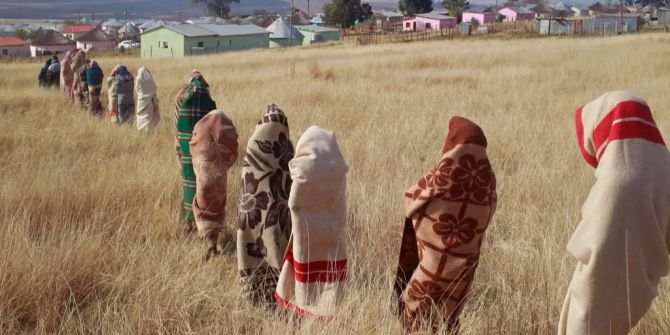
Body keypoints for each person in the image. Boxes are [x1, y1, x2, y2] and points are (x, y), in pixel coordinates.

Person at [558, 91, 670, 335]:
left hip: (597, 286)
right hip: (639, 290)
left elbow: (594, 241)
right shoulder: (664, 167)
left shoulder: (616, 176)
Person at [394, 116, 497, 334]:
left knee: (418, 315)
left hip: (429, 272)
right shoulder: (488, 184)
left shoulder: (441, 177)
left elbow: (411, 199)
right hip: (461, 277)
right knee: (447, 320)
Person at [275, 126, 348, 319]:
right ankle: (328, 311)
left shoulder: (303, 171)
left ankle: (302, 310)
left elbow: (295, 203)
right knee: (330, 279)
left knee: (300, 276)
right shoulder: (338, 170)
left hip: (305, 236)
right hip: (333, 234)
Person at [238, 104, 294, 305]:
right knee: (276, 245)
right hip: (275, 216)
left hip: (253, 216)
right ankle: (279, 292)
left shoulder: (254, 147)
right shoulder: (287, 148)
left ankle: (256, 294)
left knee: (257, 246)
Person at [190, 110, 238, 260]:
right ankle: (213, 243)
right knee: (217, 208)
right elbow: (233, 149)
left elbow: (192, 146)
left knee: (203, 207)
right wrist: (222, 166)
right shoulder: (226, 125)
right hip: (219, 176)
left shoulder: (200, 127)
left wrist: (200, 166)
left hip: (202, 176)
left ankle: (209, 244)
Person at [175, 70, 217, 233]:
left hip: (186, 149)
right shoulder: (210, 102)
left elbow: (178, 129)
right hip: (205, 151)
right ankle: (205, 225)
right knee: (204, 186)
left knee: (188, 184)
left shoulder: (182, 98)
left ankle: (189, 222)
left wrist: (180, 150)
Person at [135, 67, 160, 131]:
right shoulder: (150, 79)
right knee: (149, 118)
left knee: (141, 116)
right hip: (150, 102)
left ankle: (141, 130)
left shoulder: (138, 79)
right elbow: (155, 88)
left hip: (141, 102)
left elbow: (137, 89)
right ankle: (149, 131)